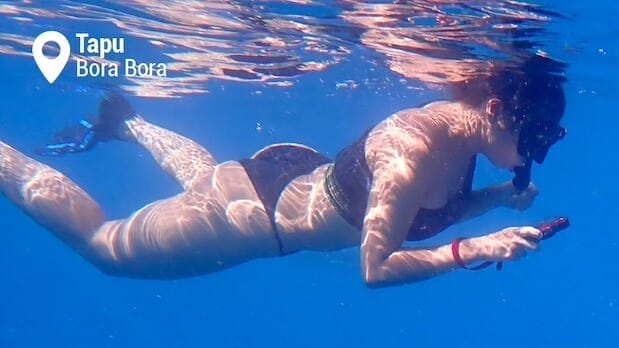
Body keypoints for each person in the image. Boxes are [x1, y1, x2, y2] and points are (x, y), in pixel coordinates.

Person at [0, 57, 567, 287]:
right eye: (535, 138)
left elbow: (427, 207)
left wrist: (495, 198)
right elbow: (374, 267)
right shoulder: (409, 157)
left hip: (292, 176)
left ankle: (129, 124)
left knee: (212, 178)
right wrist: (476, 249)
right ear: (496, 110)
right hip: (259, 220)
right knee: (104, 249)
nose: (535, 154)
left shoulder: (459, 135)